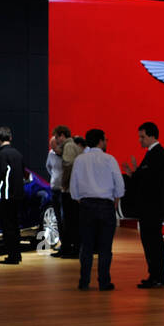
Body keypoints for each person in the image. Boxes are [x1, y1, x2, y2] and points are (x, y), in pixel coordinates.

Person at [68, 128, 123, 290]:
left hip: (86, 206)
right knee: (105, 247)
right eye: (105, 139)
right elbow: (119, 185)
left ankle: (84, 282)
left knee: (86, 246)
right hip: (106, 206)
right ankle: (104, 282)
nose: (106, 142)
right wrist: (115, 199)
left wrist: (81, 201)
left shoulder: (80, 160)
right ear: (100, 141)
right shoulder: (109, 159)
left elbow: (74, 188)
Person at [127, 121, 164, 289]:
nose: (140, 140)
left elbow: (150, 180)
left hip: (152, 207)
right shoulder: (153, 154)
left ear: (152, 136)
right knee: (150, 241)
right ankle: (154, 274)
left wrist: (136, 174)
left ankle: (157, 276)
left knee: (153, 242)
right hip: (149, 207)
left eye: (142, 137)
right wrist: (136, 174)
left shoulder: (157, 154)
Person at [0, 126, 26, 265]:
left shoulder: (1, 155)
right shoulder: (18, 154)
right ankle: (17, 254)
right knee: (15, 226)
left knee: (8, 227)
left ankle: (12, 256)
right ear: (10, 138)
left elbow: (0, 174)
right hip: (18, 194)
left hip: (6, 194)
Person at [57, 124, 83, 259]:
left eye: (57, 137)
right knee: (74, 220)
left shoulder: (68, 147)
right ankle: (75, 247)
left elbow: (67, 166)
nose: (57, 141)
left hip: (70, 190)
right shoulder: (74, 146)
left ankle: (74, 248)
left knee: (70, 220)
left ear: (62, 135)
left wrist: (64, 184)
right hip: (75, 188)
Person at [45, 130, 66, 255]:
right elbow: (48, 167)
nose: (54, 149)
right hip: (54, 189)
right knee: (58, 217)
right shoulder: (51, 154)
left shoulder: (66, 155)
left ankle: (68, 243)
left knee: (64, 218)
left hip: (64, 190)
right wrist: (54, 177)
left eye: (55, 146)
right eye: (52, 147)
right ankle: (62, 242)